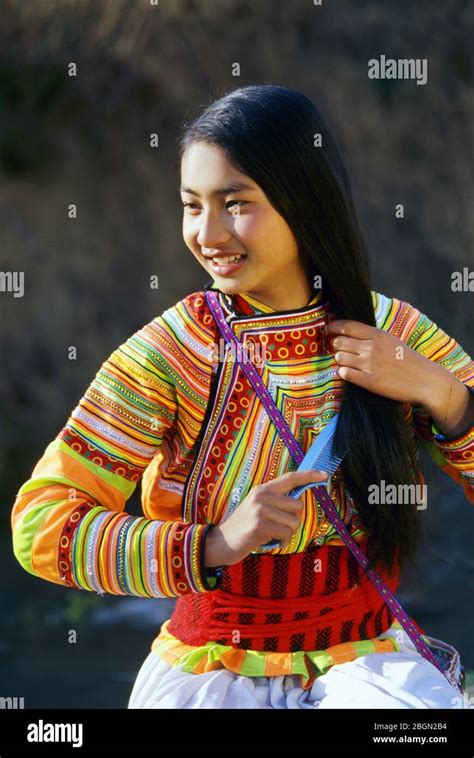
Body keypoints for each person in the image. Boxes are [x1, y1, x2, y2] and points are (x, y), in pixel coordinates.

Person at [11, 85, 473, 709]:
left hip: (371, 667)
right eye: (191, 205)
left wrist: (442, 395)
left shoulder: (391, 335)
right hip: (210, 677)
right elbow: (40, 525)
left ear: (303, 202)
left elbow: (449, 397)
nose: (208, 233)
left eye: (236, 204)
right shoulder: (169, 354)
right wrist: (212, 546)